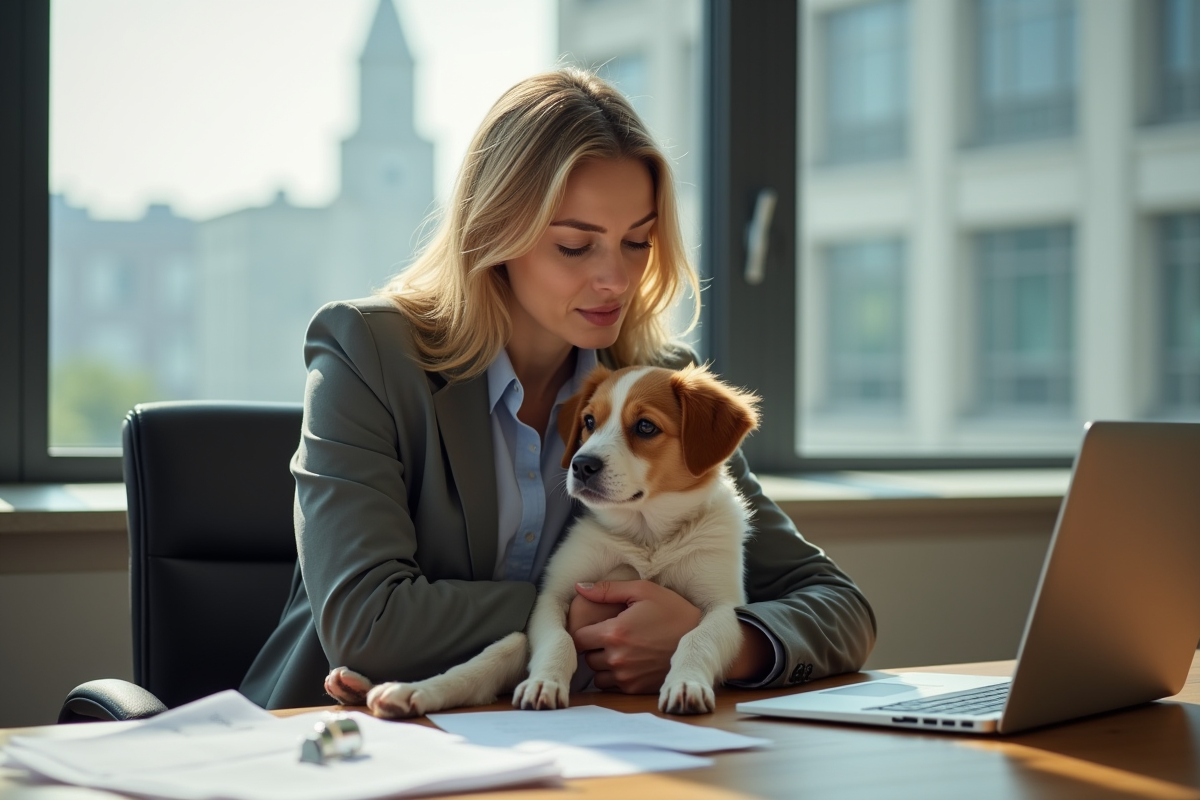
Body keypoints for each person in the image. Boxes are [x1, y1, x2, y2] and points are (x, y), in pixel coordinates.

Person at [240, 67, 876, 710]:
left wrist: (720, 641)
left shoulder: (653, 386)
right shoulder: (369, 354)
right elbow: (369, 624)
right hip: (339, 734)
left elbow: (839, 609)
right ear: (494, 233)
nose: (616, 280)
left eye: (637, 242)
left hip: (563, 738)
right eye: (576, 246)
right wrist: (574, 614)